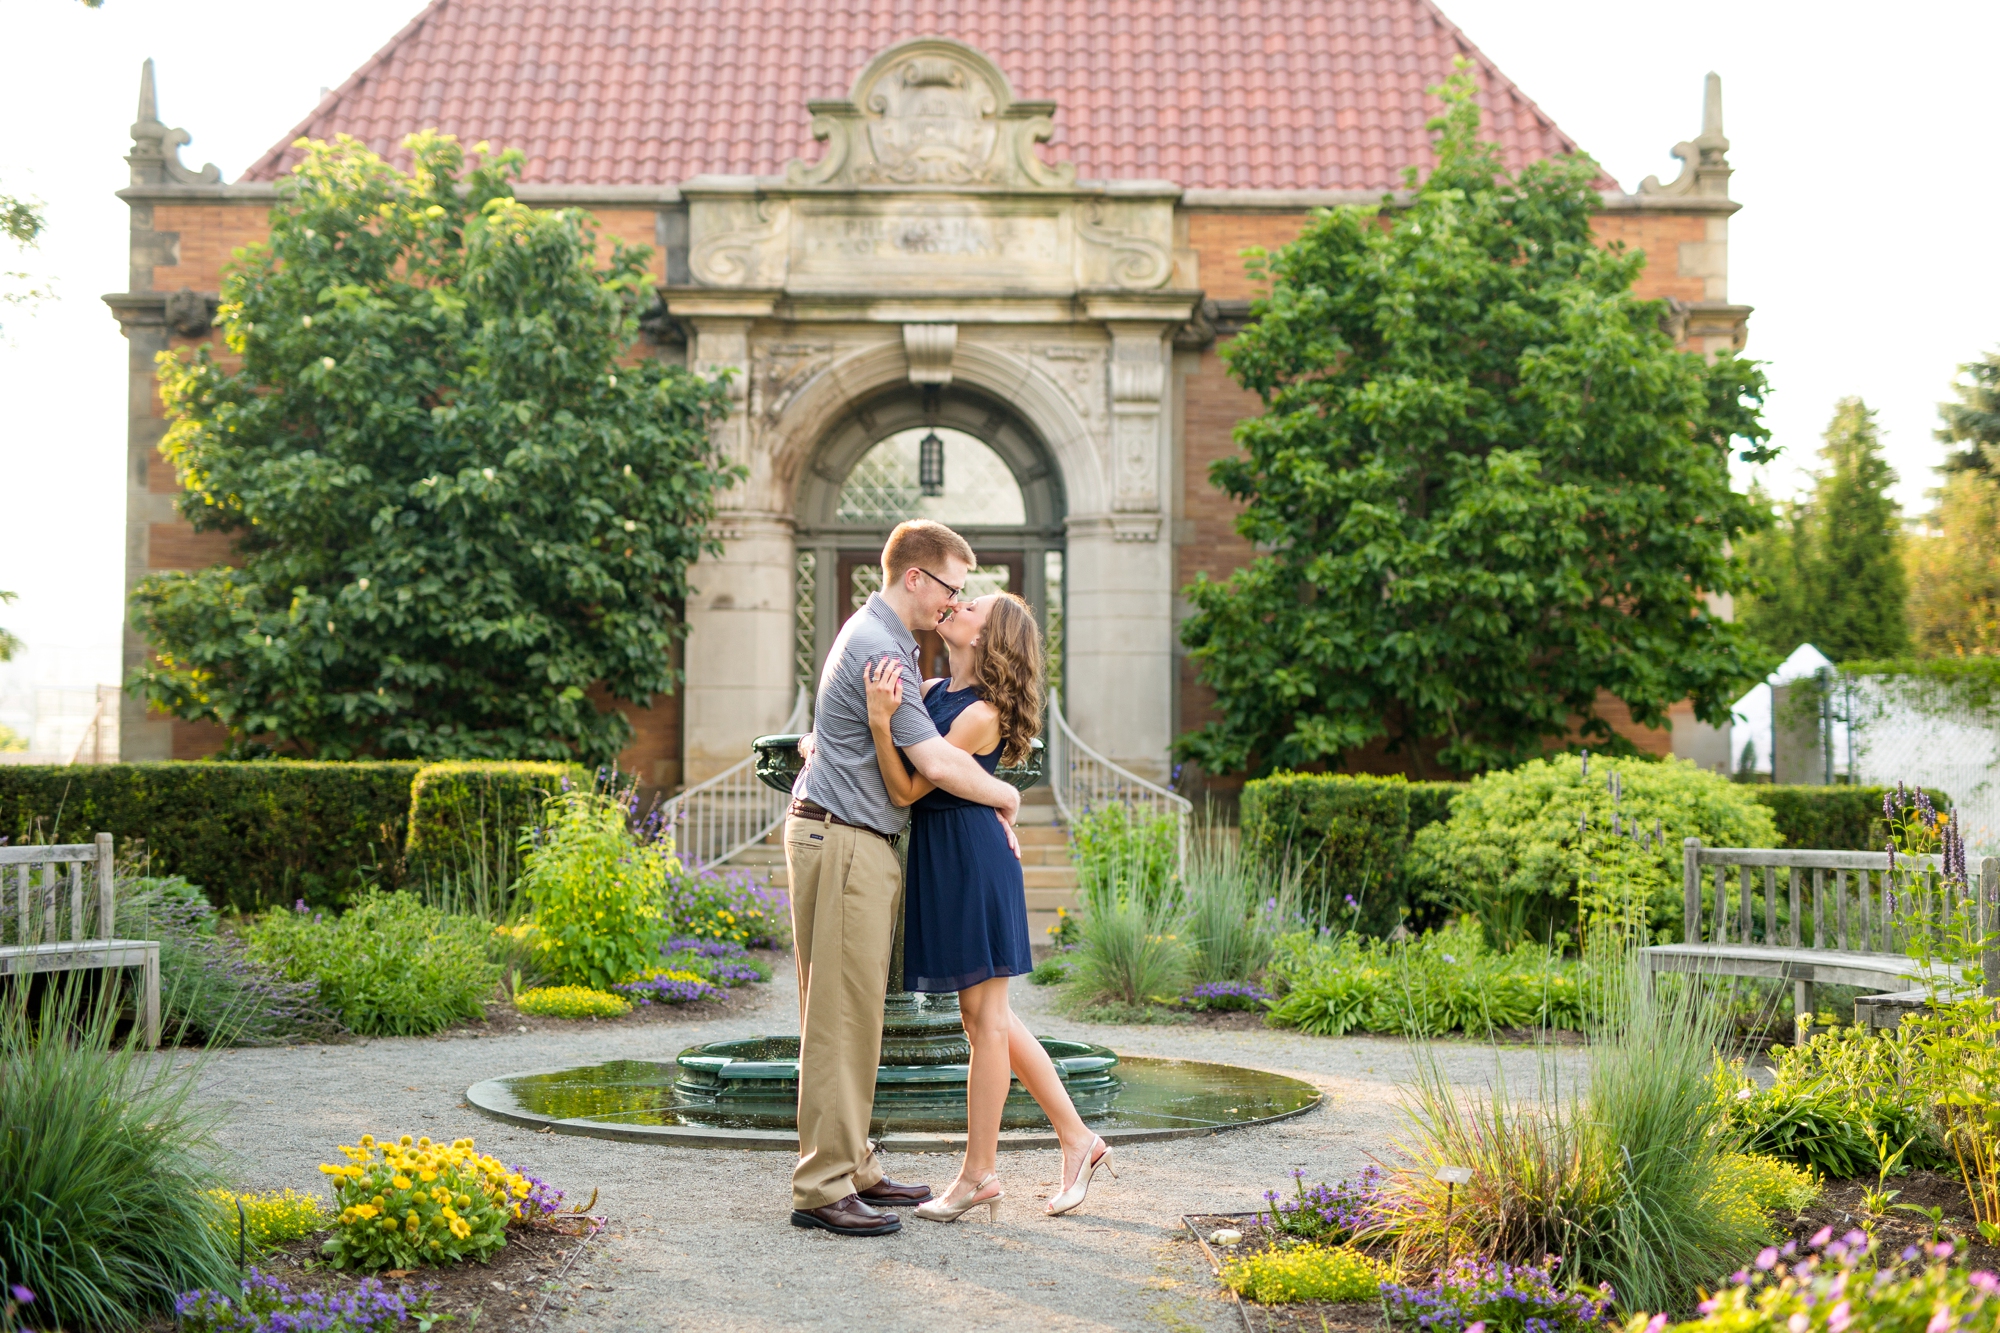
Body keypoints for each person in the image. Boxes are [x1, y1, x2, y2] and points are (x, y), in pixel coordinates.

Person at [784, 519, 1024, 1238]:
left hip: (846, 834)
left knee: (849, 1013)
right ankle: (824, 1184)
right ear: (916, 577)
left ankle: (853, 1165)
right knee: (840, 1017)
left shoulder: (879, 639)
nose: (951, 604)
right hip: (847, 838)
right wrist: (1007, 796)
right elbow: (936, 767)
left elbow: (837, 737)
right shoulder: (880, 644)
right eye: (950, 587)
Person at [862, 590, 1115, 1224]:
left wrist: (877, 722)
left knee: (985, 1020)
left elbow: (907, 788)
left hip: (972, 862)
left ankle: (980, 1173)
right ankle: (1078, 1139)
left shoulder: (979, 713)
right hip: (950, 859)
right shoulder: (933, 686)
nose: (956, 604)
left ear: (987, 635)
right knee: (989, 1017)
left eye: (971, 604)